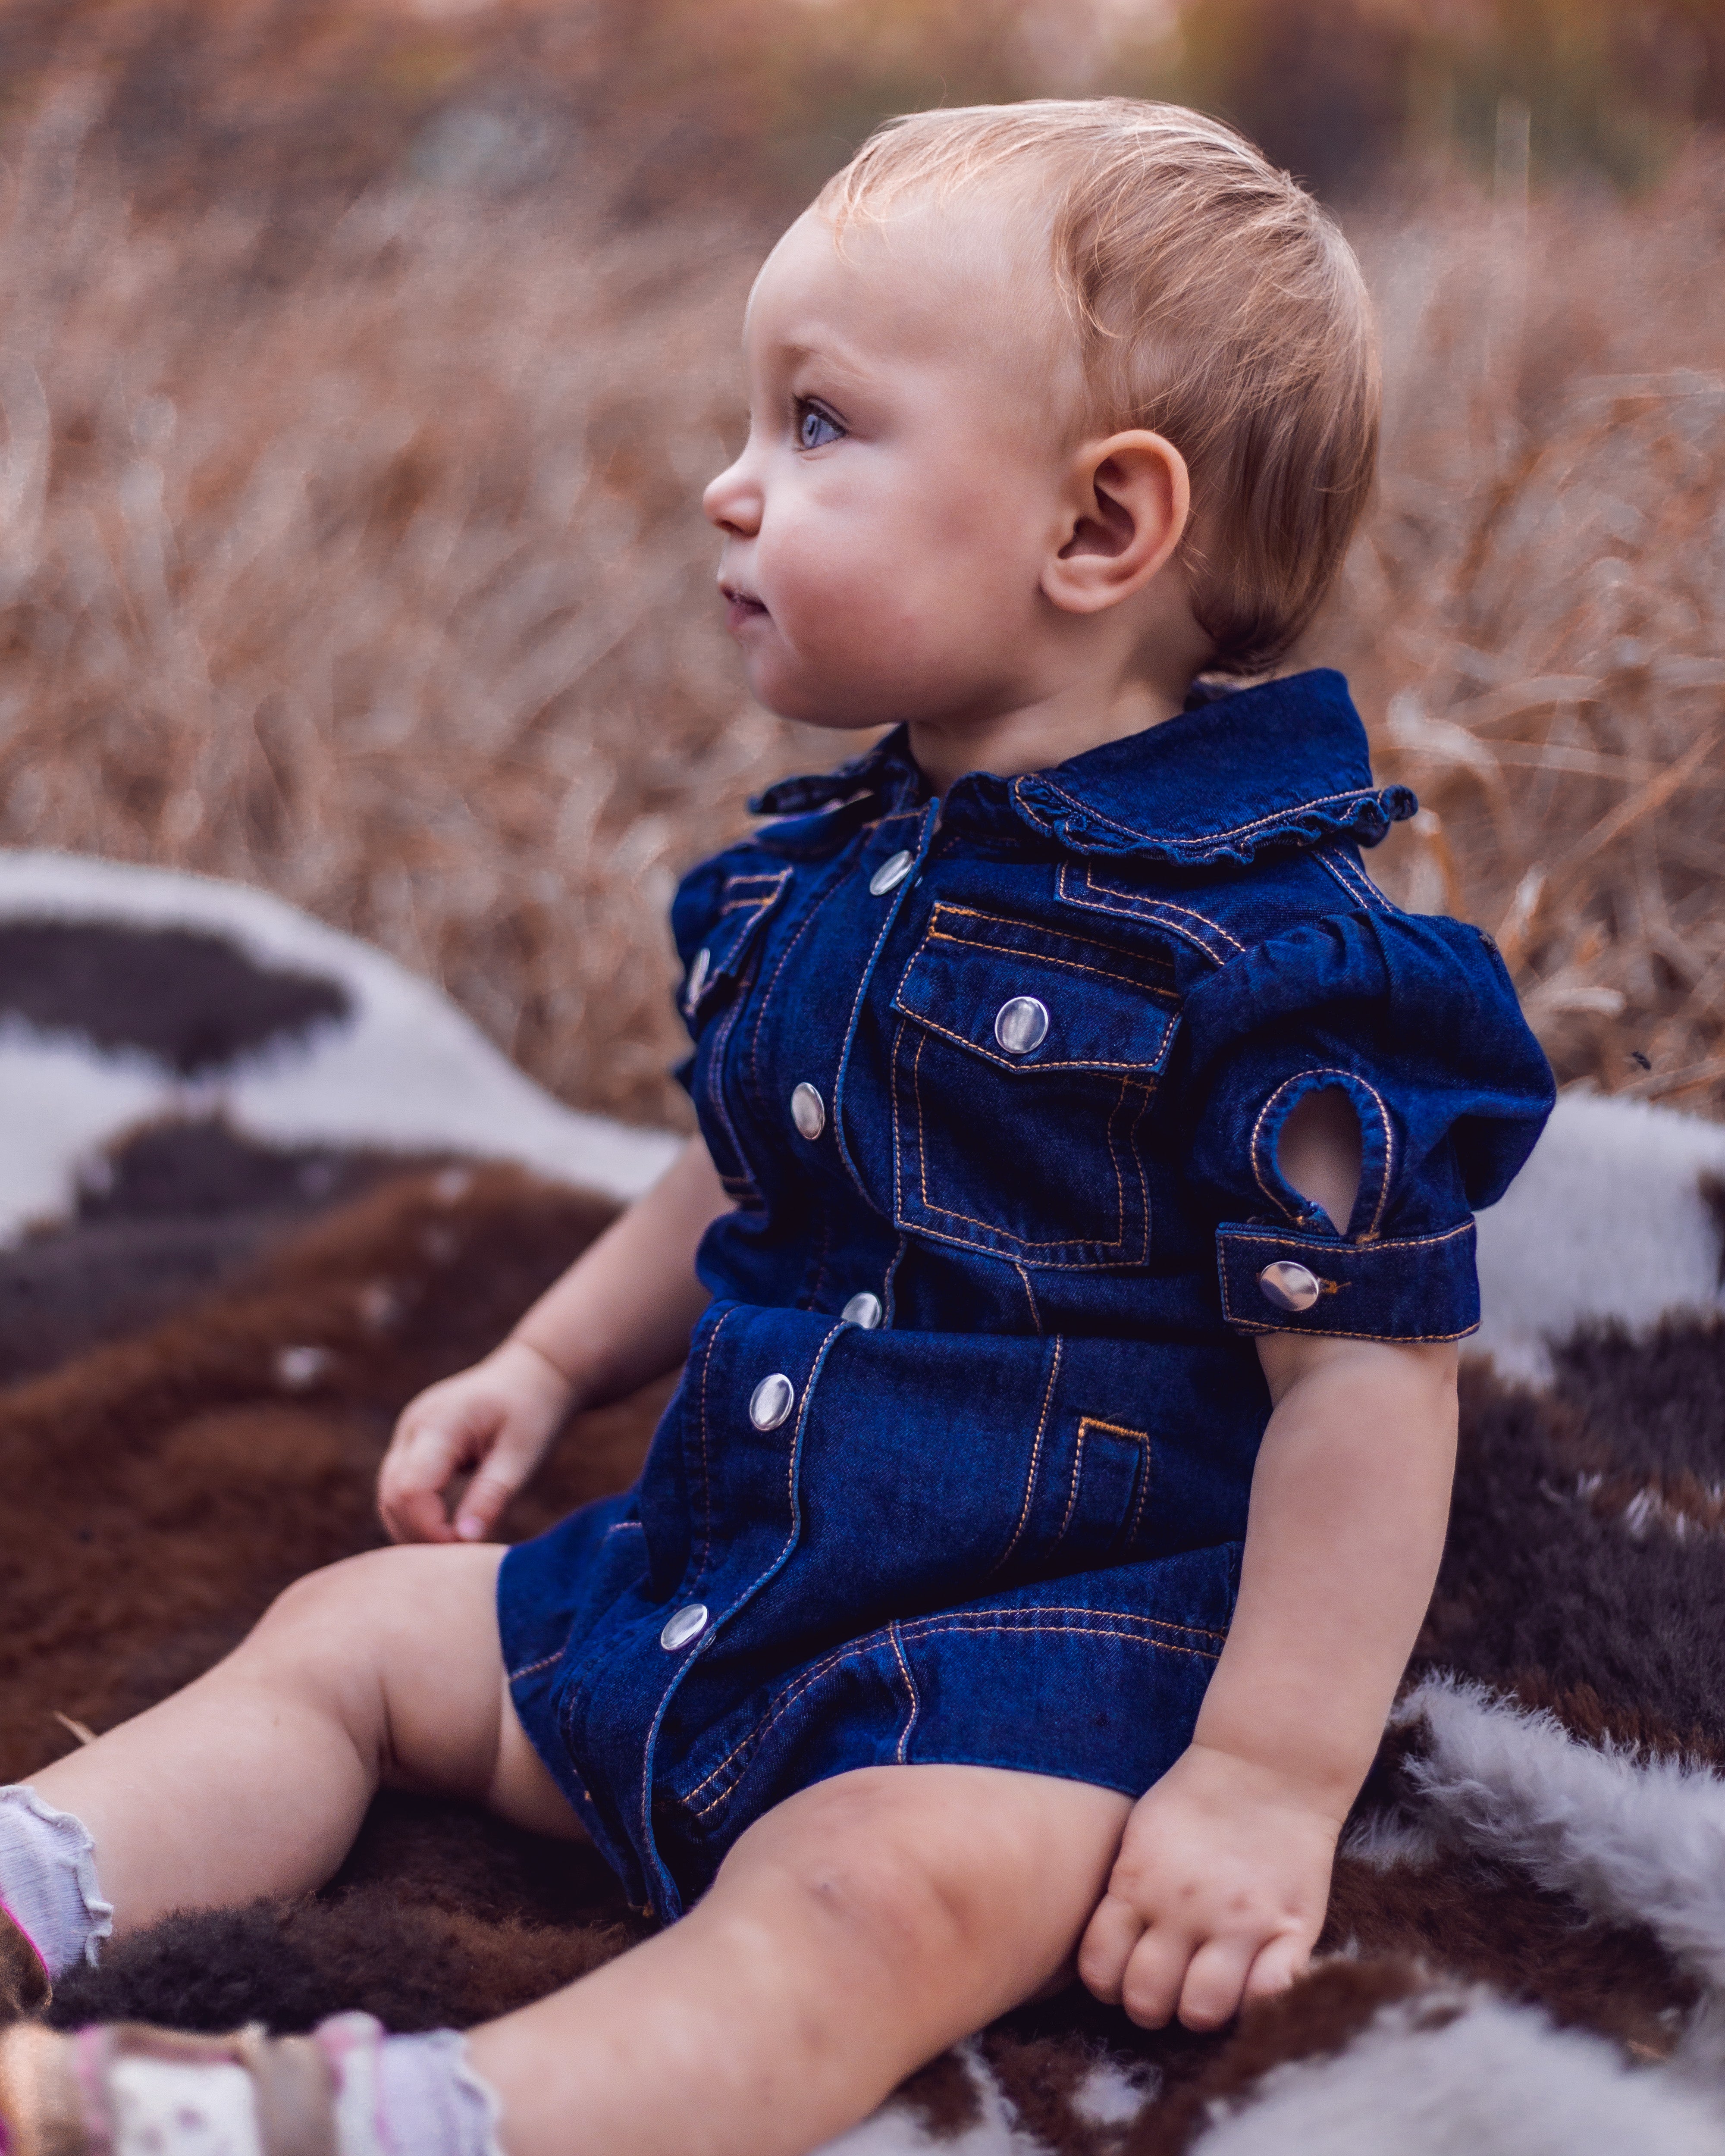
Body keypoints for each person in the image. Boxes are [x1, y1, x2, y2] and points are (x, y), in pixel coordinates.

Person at [0, 98, 1554, 2156]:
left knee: (856, 1913)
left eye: (817, 424)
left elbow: (1368, 1381)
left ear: (1096, 530)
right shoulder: (844, 862)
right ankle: (45, 1876)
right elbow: (762, 1148)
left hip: (1020, 1688)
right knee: (349, 1638)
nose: (730, 488)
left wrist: (1265, 1778)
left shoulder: (1284, 968)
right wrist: (546, 1357)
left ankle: (386, 2114)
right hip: (709, 1592)